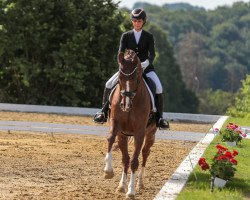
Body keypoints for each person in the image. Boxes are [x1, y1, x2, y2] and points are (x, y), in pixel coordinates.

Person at [93, 8, 169, 129]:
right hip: (128, 69)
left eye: (139, 21)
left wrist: (145, 63)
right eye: (134, 21)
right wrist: (122, 64)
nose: (137, 23)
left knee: (159, 87)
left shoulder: (148, 36)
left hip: (146, 68)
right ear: (132, 21)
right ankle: (103, 112)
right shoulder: (126, 36)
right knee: (109, 83)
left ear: (143, 21)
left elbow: (152, 54)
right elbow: (120, 52)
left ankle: (159, 118)